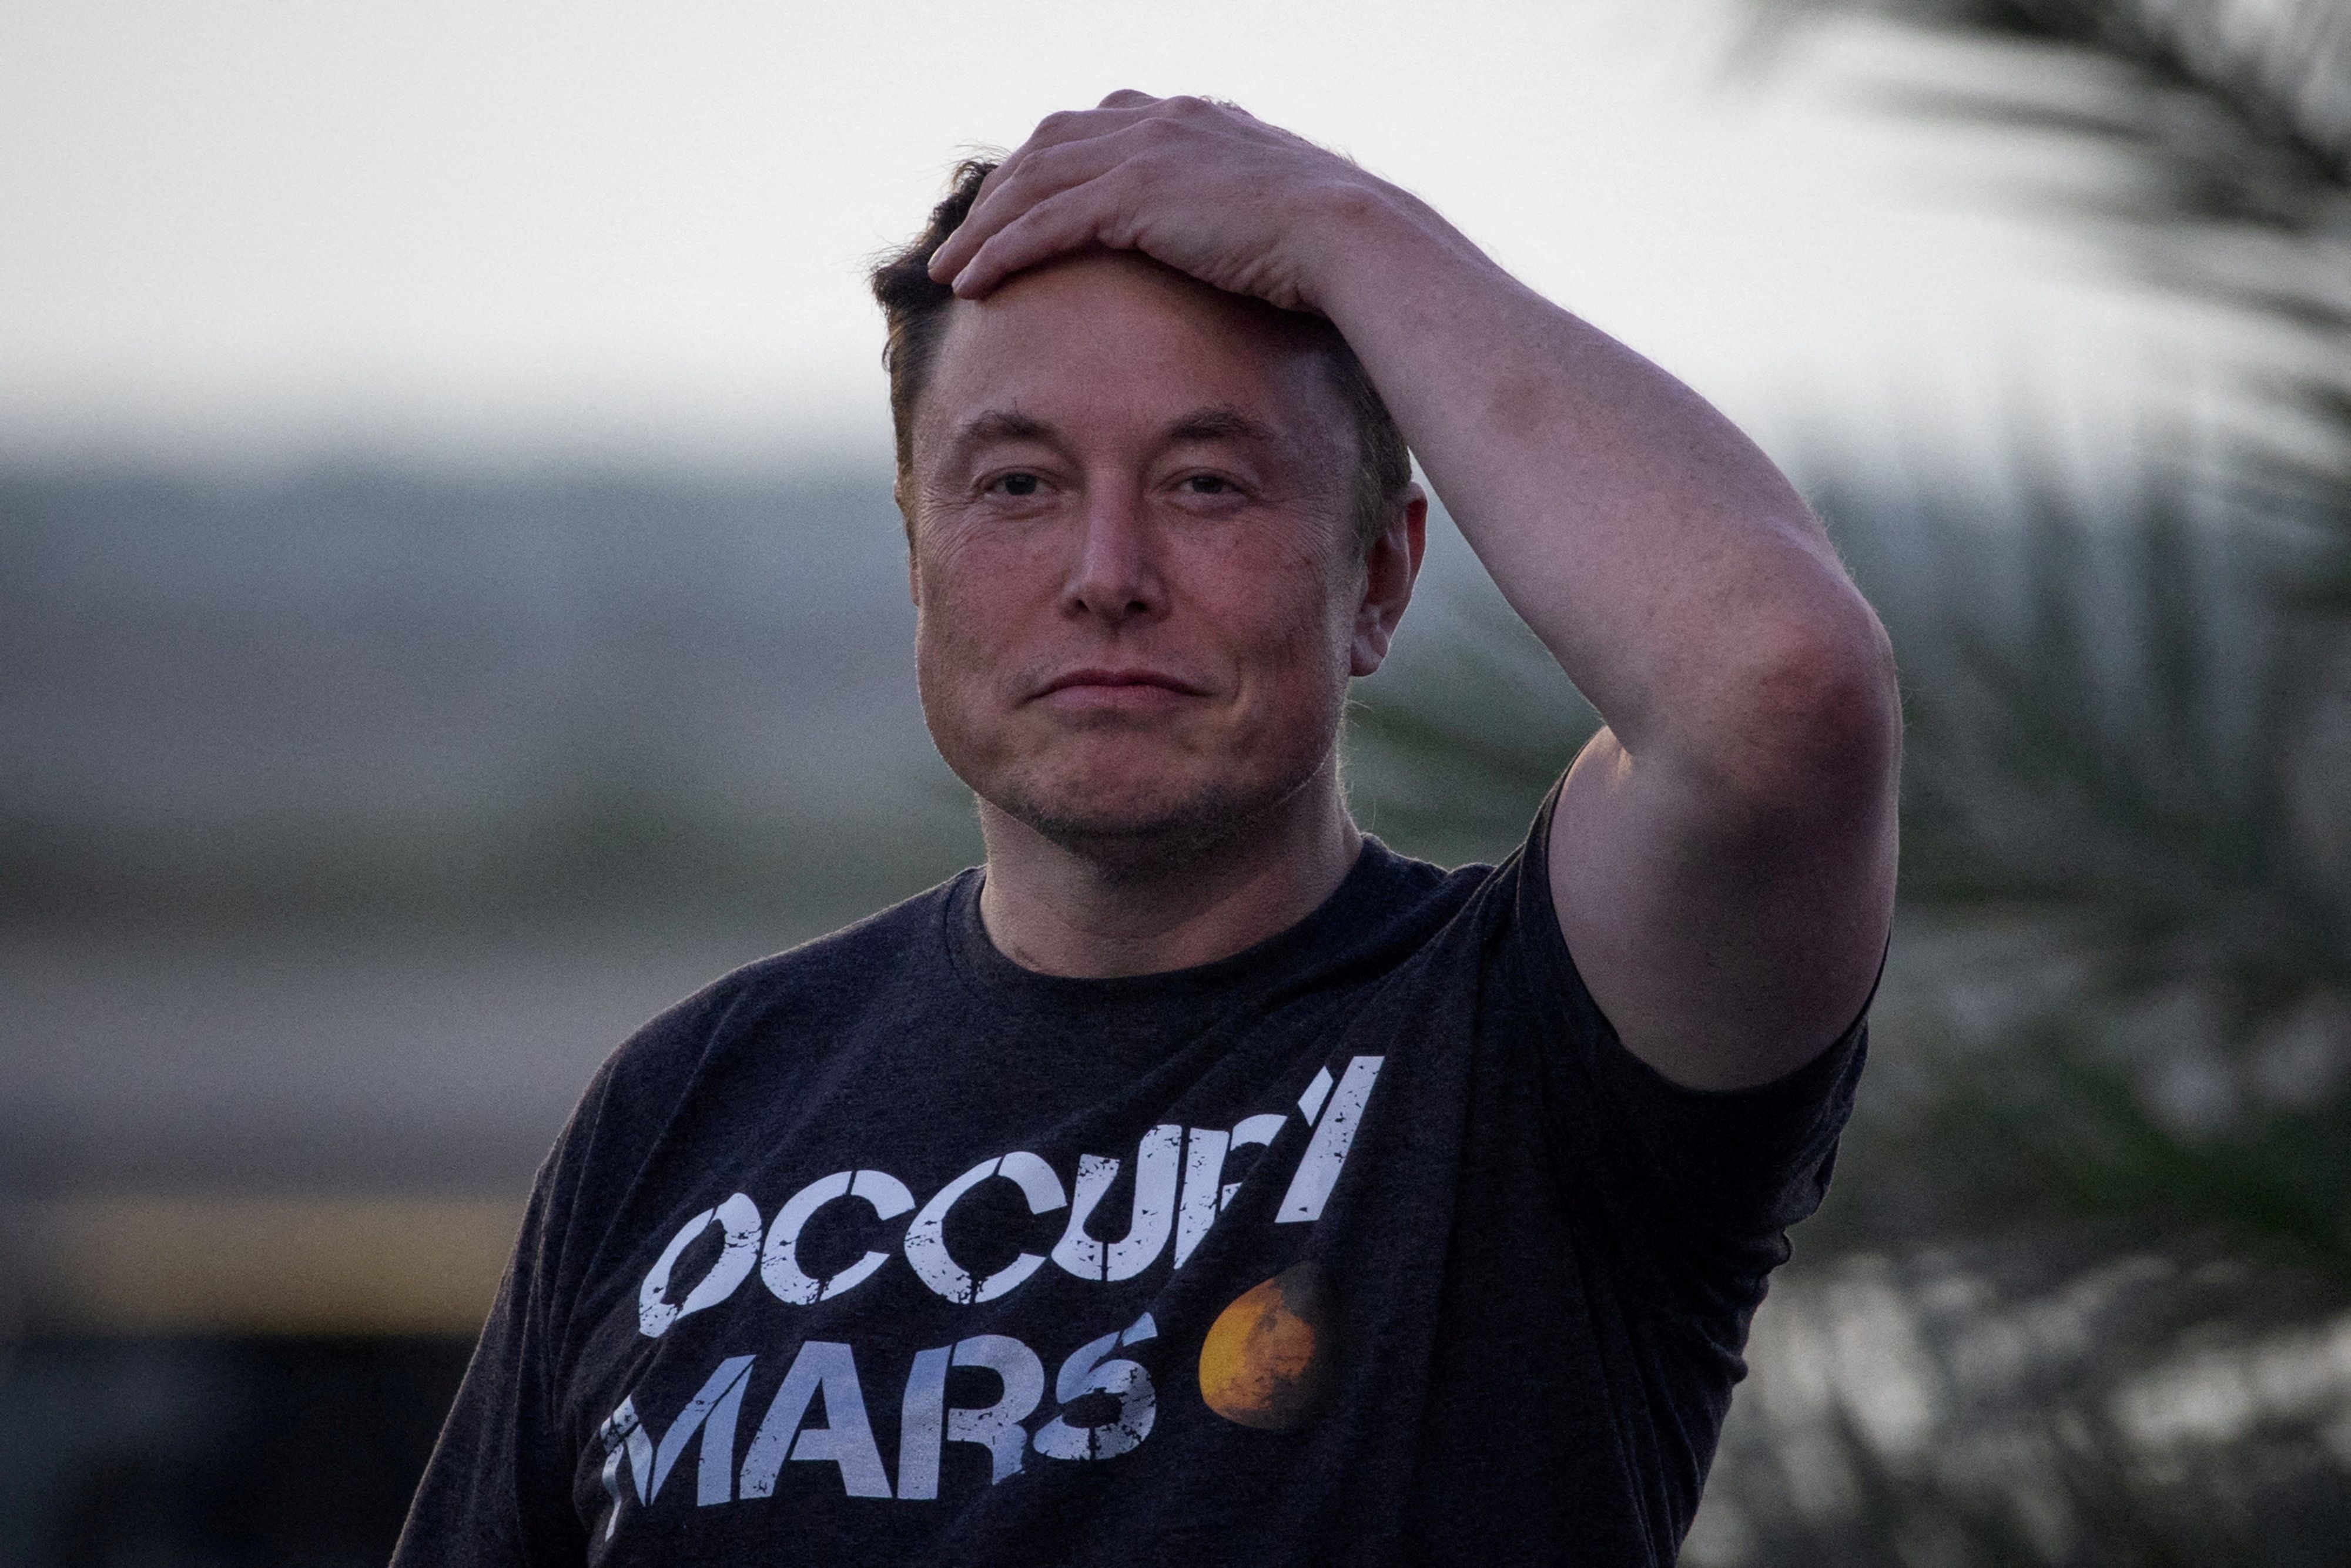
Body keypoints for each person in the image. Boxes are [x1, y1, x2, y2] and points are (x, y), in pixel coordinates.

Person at [393, 92, 1900, 1566]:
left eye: (1204, 483)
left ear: (1377, 576)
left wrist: (1330, 220)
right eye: (1018, 485)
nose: (1106, 571)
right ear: (919, 560)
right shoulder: (685, 1104)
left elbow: (1775, 690)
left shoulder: (1526, 1052)